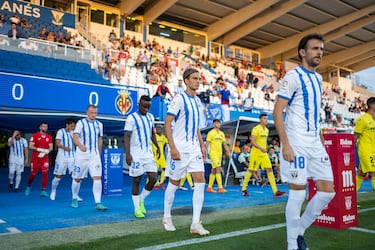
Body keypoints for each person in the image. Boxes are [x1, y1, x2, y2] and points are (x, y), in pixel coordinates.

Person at [273, 34, 336, 250]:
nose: (319, 52)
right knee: (298, 193)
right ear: (303, 52)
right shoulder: (292, 77)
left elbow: (314, 112)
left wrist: (319, 135)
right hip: (296, 142)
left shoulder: (318, 78)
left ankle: (299, 231)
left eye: (321, 49)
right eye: (315, 48)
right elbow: (277, 111)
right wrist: (286, 144)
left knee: (328, 190)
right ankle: (292, 245)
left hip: (314, 142)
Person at [162, 68, 210, 235]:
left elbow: (196, 126)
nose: (198, 81)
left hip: (194, 147)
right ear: (186, 81)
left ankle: (195, 223)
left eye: (199, 78)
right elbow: (167, 123)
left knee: (200, 180)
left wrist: (202, 144)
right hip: (180, 148)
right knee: (174, 183)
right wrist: (173, 147)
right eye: (195, 78)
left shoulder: (197, 101)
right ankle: (166, 216)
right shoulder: (179, 99)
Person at [124, 95, 160, 218]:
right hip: (136, 155)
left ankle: (142, 199)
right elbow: (127, 136)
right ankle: (137, 208)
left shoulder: (150, 117)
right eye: (144, 106)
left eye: (148, 107)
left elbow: (152, 134)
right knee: (137, 180)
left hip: (148, 154)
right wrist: (128, 154)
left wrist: (158, 146)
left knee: (153, 178)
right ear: (139, 104)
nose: (146, 109)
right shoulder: (131, 118)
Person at [241, 114, 286, 198]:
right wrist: (261, 148)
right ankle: (243, 189)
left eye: (267, 118)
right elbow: (253, 142)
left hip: (263, 154)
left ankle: (275, 191)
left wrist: (266, 148)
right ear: (260, 120)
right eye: (264, 118)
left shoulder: (267, 130)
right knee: (251, 170)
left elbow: (263, 142)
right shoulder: (256, 129)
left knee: (269, 169)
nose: (266, 120)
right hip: (256, 153)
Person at [72, 105, 107, 211]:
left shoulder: (99, 124)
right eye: (92, 112)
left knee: (97, 178)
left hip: (94, 156)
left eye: (95, 113)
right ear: (87, 112)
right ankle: (74, 197)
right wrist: (80, 146)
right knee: (77, 178)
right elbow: (75, 138)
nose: (94, 115)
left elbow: (99, 139)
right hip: (81, 156)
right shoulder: (80, 123)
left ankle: (98, 202)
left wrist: (99, 153)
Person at [50, 119, 80, 201]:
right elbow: (57, 143)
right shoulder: (60, 131)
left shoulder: (74, 133)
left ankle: (75, 195)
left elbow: (77, 143)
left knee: (76, 176)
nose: (73, 127)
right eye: (72, 126)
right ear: (67, 125)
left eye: (74, 126)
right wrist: (64, 147)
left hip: (72, 157)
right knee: (58, 176)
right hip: (62, 158)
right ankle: (53, 191)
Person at [25, 122, 53, 197]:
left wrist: (47, 151)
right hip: (36, 158)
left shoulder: (49, 136)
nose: (45, 128)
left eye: (46, 127)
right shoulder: (35, 135)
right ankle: (28, 186)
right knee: (33, 174)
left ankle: (43, 190)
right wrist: (39, 149)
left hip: (45, 158)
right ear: (40, 127)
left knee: (45, 173)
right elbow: (30, 146)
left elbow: (51, 147)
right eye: (43, 127)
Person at [355, 97, 375, 191]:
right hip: (366, 151)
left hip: (373, 150)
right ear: (372, 105)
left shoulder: (373, 119)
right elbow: (355, 136)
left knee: (361, 173)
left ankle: (352, 193)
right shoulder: (363, 119)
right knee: (374, 172)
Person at [206, 119, 231, 193]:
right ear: (214, 124)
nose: (218, 124)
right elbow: (207, 143)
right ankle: (220, 188)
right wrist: (204, 152)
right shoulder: (211, 133)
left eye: (219, 123)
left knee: (213, 170)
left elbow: (224, 144)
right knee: (218, 169)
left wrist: (228, 151)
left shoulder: (221, 133)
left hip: (219, 154)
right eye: (217, 123)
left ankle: (209, 188)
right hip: (213, 153)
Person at [152, 125, 168, 191]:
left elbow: (168, 142)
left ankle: (161, 182)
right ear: (155, 129)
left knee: (165, 169)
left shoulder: (163, 137)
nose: (159, 130)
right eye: (157, 129)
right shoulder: (153, 137)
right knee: (154, 171)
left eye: (160, 129)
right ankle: (155, 183)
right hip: (155, 156)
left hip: (162, 156)